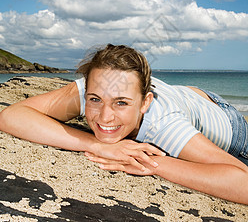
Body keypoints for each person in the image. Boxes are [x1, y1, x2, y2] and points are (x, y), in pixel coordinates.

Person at [0, 44, 247, 204]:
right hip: (188, 97)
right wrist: (97, 146)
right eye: (95, 100)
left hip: (231, 126)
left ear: (144, 103)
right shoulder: (93, 87)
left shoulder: (164, 125)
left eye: (121, 103)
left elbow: (243, 181)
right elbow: (11, 116)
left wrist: (152, 163)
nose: (105, 117)